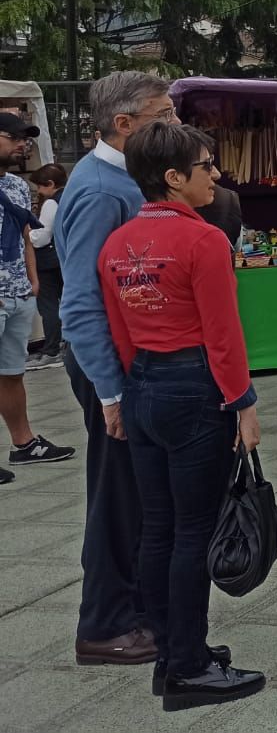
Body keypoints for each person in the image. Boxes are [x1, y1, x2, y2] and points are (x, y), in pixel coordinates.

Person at [98, 121, 266, 711]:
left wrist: (121, 397)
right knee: (193, 530)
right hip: (195, 387)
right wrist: (242, 401)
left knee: (160, 529)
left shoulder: (117, 243)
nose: (214, 175)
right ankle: (189, 668)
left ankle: (174, 652)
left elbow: (120, 331)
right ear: (173, 178)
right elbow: (223, 333)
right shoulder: (204, 242)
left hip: (143, 383)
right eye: (205, 167)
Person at [57, 72, 178, 666]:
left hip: (127, 362)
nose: (174, 123)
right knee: (117, 496)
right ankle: (104, 623)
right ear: (124, 125)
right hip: (111, 366)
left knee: (137, 493)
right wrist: (110, 392)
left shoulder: (123, 178)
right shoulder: (104, 189)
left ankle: (134, 611)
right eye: (163, 114)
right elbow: (79, 301)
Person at [0, 112, 73, 482]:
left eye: (25, 138)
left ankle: (24, 444)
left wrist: (31, 279)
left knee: (12, 373)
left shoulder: (15, 186)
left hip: (16, 294)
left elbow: (24, 235)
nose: (22, 144)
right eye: (13, 137)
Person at [26, 162, 67, 369]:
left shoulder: (51, 203)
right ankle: (65, 345)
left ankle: (51, 350)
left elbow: (42, 236)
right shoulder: (70, 197)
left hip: (47, 261)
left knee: (49, 305)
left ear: (50, 184)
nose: (39, 192)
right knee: (64, 301)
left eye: (40, 187)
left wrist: (26, 236)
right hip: (62, 258)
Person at [196, 181, 242, 249]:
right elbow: (237, 245)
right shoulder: (230, 196)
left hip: (196, 250)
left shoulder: (184, 194)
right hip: (225, 250)